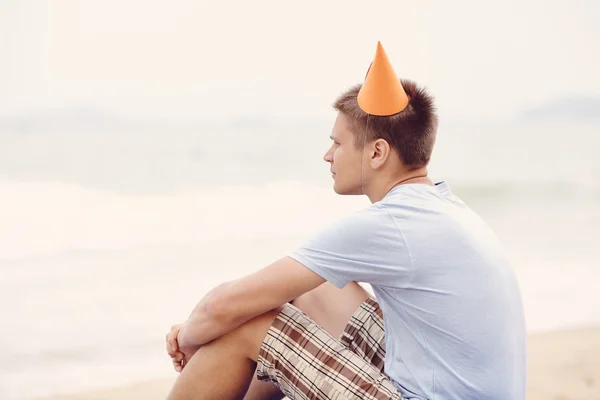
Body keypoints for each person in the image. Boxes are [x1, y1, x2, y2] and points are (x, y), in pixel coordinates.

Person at [164, 42, 527, 400]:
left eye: (337, 143)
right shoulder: (441, 208)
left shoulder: (391, 224)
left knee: (252, 324)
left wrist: (186, 339)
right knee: (312, 289)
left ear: (377, 152)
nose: (327, 155)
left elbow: (223, 306)